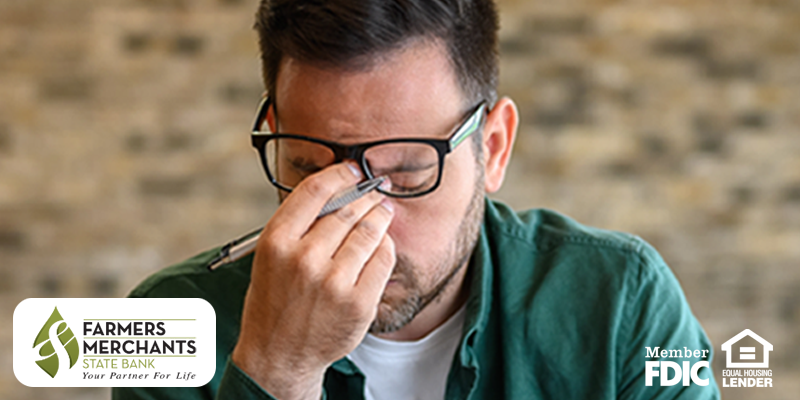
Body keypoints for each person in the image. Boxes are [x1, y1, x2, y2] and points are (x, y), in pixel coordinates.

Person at [114, 0, 720, 399]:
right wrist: (277, 373)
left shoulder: (620, 300)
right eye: (307, 168)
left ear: (495, 148)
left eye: (405, 175)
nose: (362, 223)